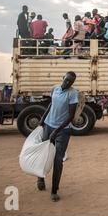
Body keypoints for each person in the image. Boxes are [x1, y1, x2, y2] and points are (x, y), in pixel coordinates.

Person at [38, 71, 79, 202]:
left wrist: (57, 130)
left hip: (63, 130)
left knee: (58, 159)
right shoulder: (55, 89)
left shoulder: (73, 93)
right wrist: (43, 119)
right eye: (66, 80)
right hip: (48, 126)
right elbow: (51, 105)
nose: (67, 83)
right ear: (63, 78)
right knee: (44, 154)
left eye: (70, 82)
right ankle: (40, 178)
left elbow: (71, 116)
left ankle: (54, 190)